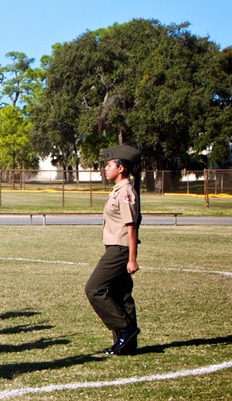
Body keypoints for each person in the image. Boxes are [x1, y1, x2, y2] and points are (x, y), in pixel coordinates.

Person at [85, 144, 142, 355]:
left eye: (109, 165)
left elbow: (131, 227)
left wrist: (132, 259)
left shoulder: (125, 192)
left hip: (120, 249)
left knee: (94, 289)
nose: (105, 168)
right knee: (121, 294)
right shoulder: (119, 190)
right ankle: (127, 345)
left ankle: (126, 329)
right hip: (117, 247)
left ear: (121, 168)